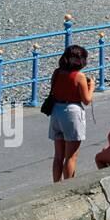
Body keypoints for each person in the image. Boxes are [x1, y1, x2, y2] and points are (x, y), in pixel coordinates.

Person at [48, 44, 94, 182]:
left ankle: (56, 184)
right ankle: (68, 187)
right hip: (72, 112)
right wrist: (91, 87)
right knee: (71, 156)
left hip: (56, 110)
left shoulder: (57, 72)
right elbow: (87, 100)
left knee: (58, 156)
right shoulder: (79, 76)